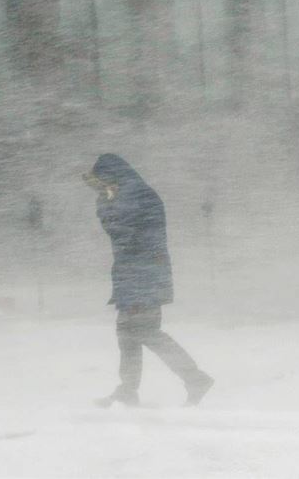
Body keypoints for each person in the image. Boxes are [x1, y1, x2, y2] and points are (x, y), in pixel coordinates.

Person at [84, 154, 213, 407]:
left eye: (103, 181)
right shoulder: (131, 192)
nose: (101, 186)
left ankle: (194, 378)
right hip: (136, 274)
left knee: (144, 331)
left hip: (143, 275)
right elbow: (122, 231)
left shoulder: (134, 194)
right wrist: (107, 199)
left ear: (111, 175)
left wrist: (105, 202)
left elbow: (123, 233)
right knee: (127, 334)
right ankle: (128, 389)